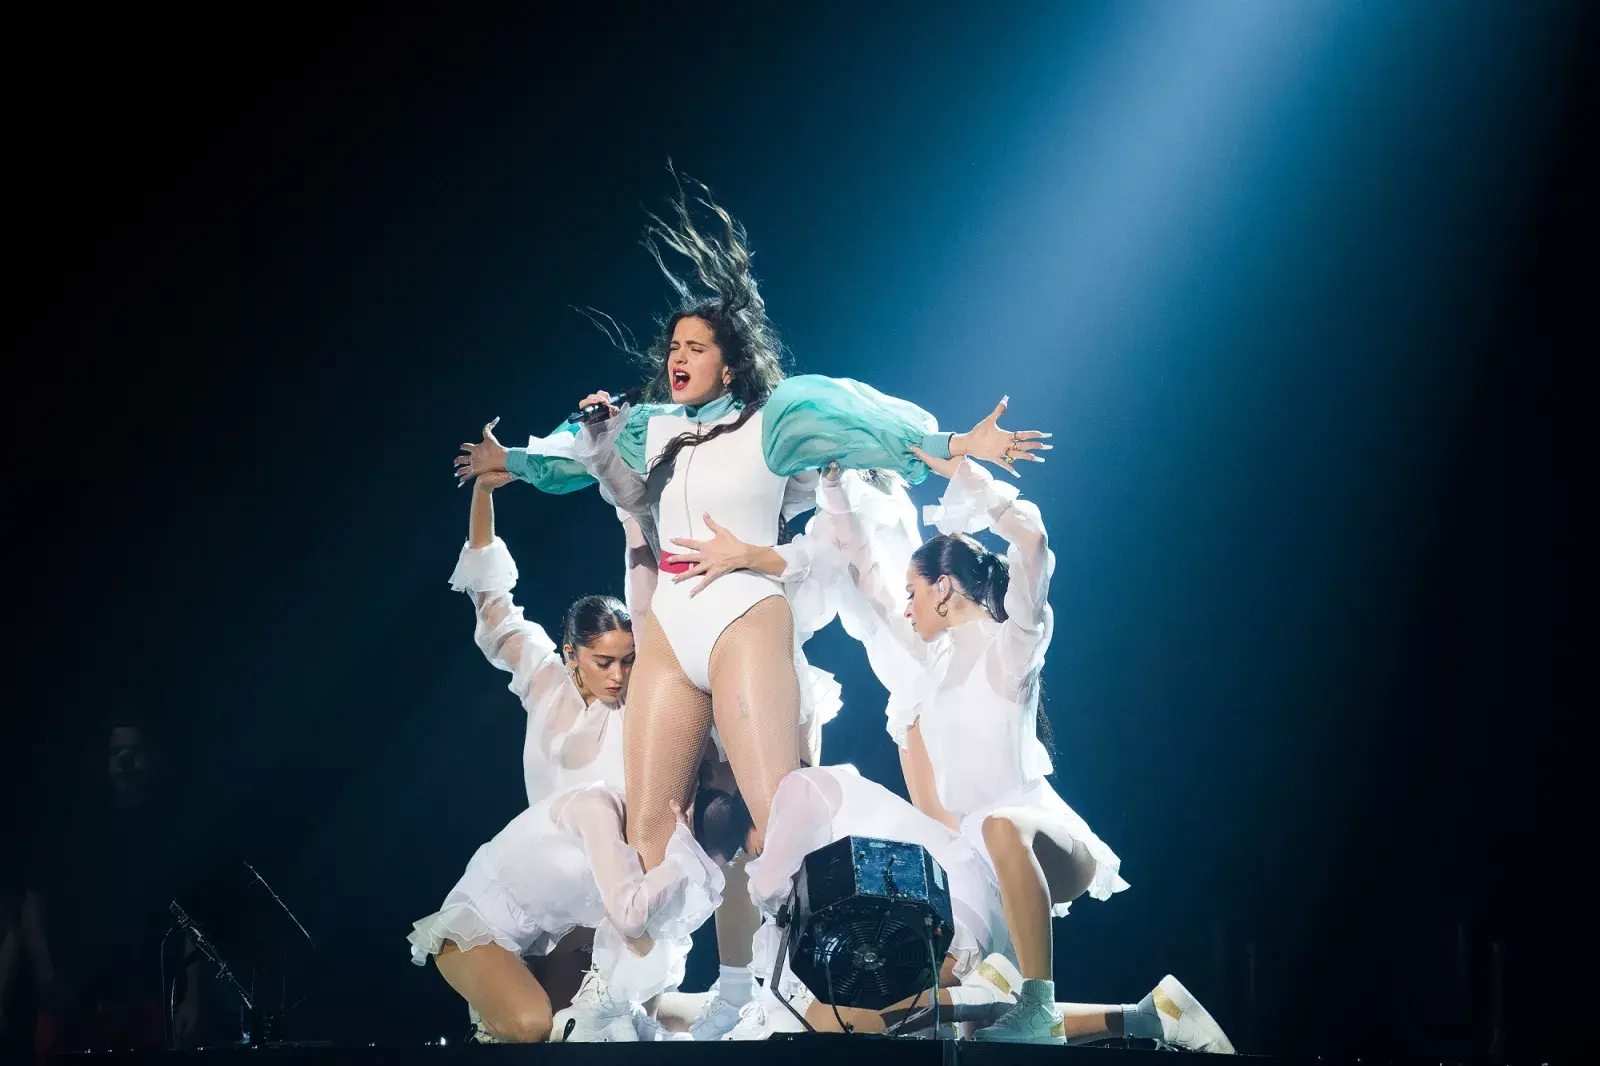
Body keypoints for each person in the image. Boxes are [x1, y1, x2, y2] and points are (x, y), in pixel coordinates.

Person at [452, 175, 1048, 888]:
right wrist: (512, 463)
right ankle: (629, 989)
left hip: (744, 618)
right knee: (647, 843)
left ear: (729, 363)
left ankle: (845, 939)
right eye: (674, 345)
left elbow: (868, 427)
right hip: (672, 629)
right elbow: (570, 456)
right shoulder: (648, 430)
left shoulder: (775, 422)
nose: (679, 356)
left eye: (697, 347)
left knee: (777, 819)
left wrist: (956, 443)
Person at [408, 446, 722, 1043]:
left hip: (602, 898)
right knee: (526, 1028)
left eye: (628, 662)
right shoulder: (545, 680)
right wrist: (483, 495)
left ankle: (728, 1010)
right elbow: (492, 604)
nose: (617, 675)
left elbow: (654, 608)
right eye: (604, 662)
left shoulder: (642, 707)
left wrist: (632, 514)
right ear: (572, 652)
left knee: (613, 1027)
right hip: (537, 879)